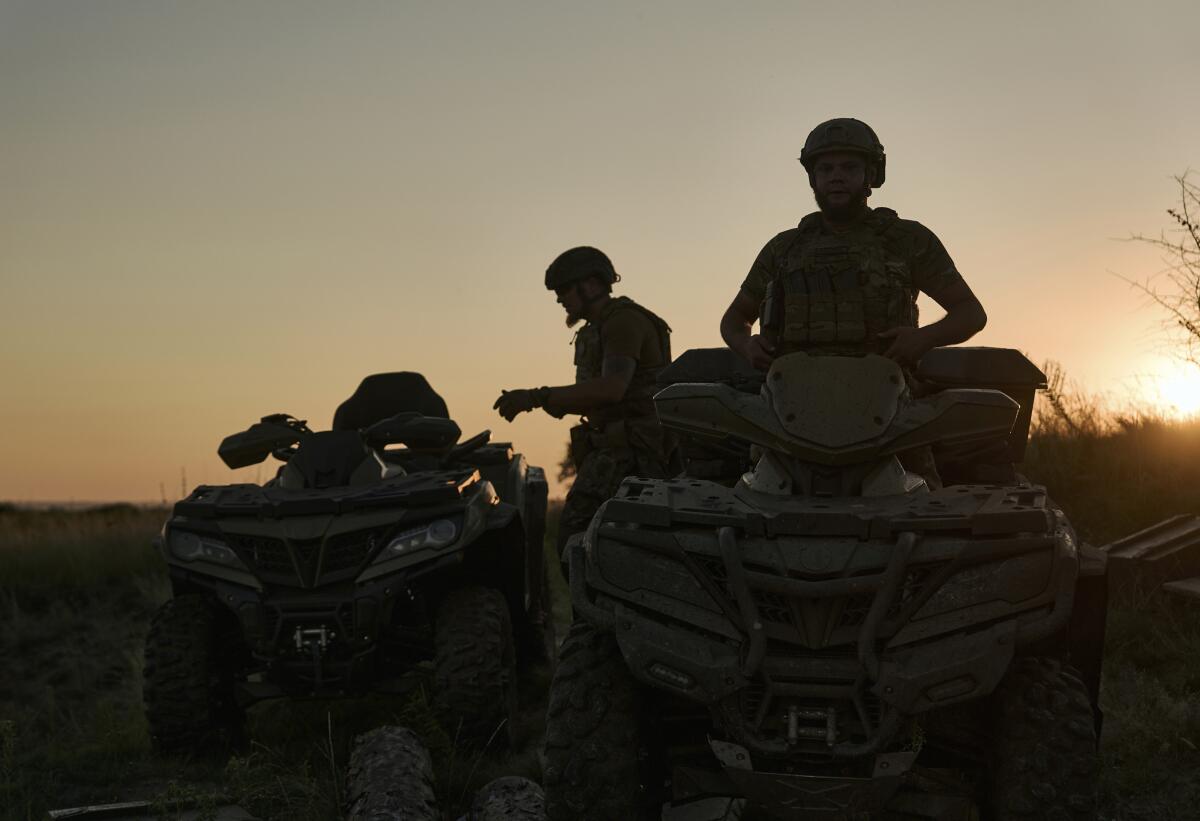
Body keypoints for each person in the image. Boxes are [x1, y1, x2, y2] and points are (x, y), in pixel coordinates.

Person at [720, 117, 986, 372]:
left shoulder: (908, 239)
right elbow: (736, 317)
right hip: (789, 396)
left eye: (849, 167)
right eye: (826, 169)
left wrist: (924, 338)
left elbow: (970, 312)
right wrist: (746, 345)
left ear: (870, 175)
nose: (837, 177)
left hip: (888, 398)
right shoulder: (784, 248)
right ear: (813, 179)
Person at [494, 246, 676, 565]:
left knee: (578, 543)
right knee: (584, 547)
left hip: (636, 456)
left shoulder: (623, 321)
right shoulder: (596, 329)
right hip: (613, 451)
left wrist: (537, 397)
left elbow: (611, 389)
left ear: (591, 285)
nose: (560, 299)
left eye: (565, 290)